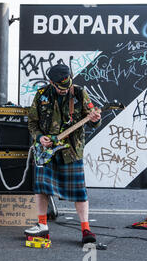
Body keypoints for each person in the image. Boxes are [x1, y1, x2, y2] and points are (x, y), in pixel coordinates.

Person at [26, 64, 101, 244]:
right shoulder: (42, 94)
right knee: (41, 188)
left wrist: (96, 120)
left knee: (79, 192)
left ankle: (86, 230)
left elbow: (92, 120)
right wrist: (39, 137)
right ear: (51, 82)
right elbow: (32, 123)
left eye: (66, 87)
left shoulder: (80, 93)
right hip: (46, 151)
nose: (63, 90)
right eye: (60, 87)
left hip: (71, 150)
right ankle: (42, 226)